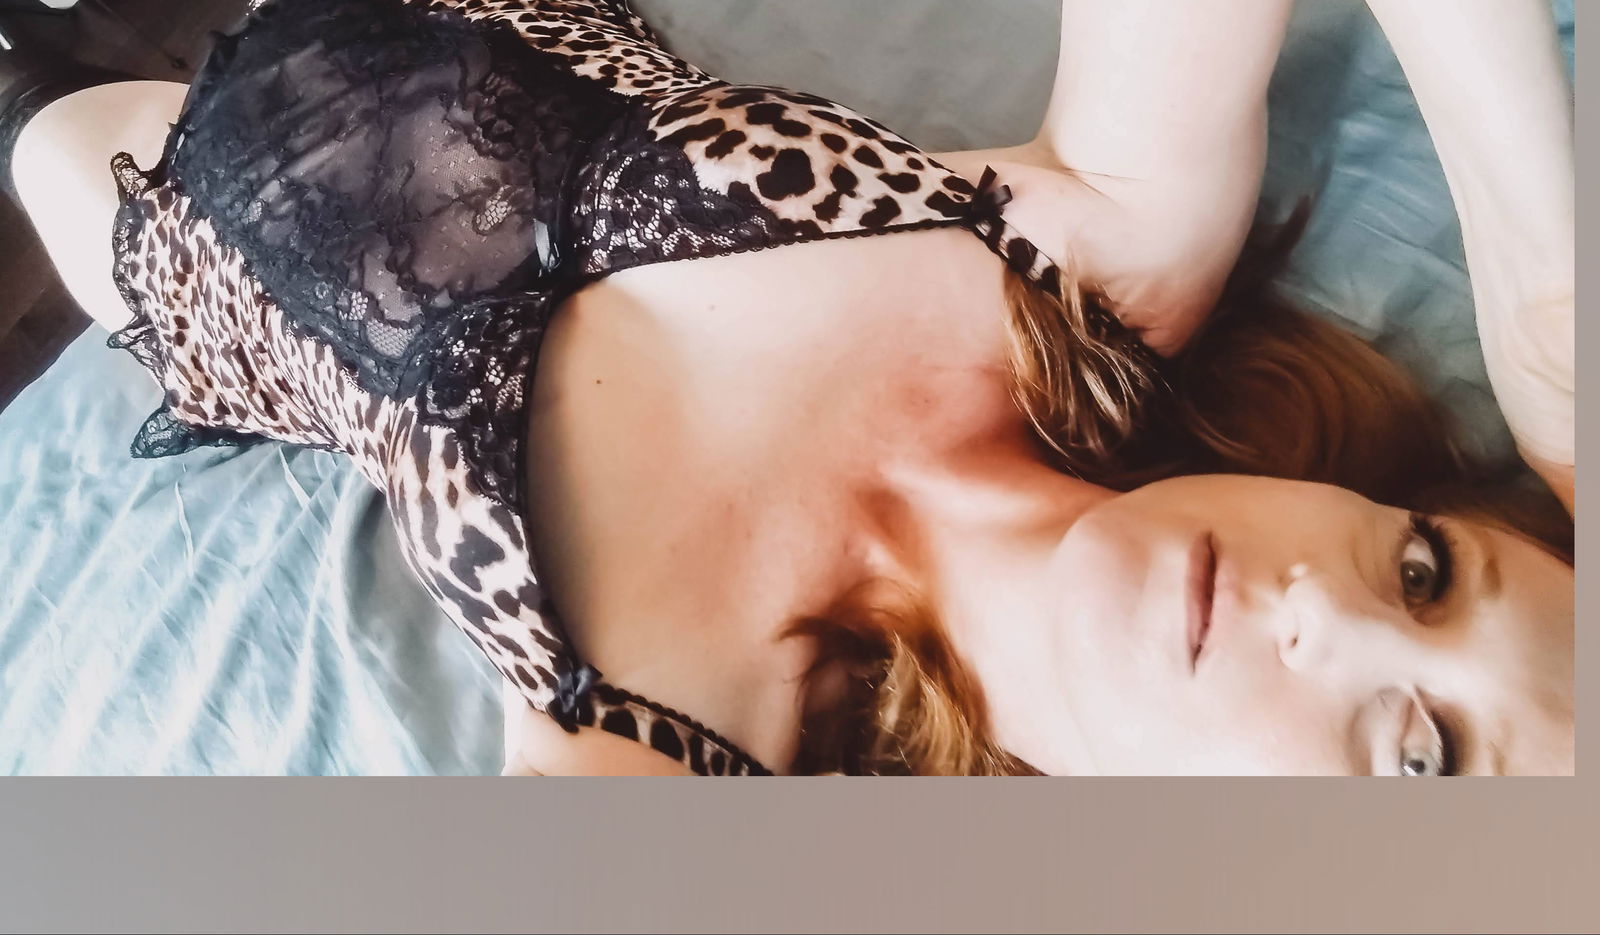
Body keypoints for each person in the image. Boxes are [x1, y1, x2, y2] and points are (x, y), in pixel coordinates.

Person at [0, 0, 1573, 775]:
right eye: (1426, 572)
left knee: (32, 105)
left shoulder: (668, 747)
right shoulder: (1111, 259)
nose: (1323, 607)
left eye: (1421, 755)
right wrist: (1551, 306)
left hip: (189, 228)